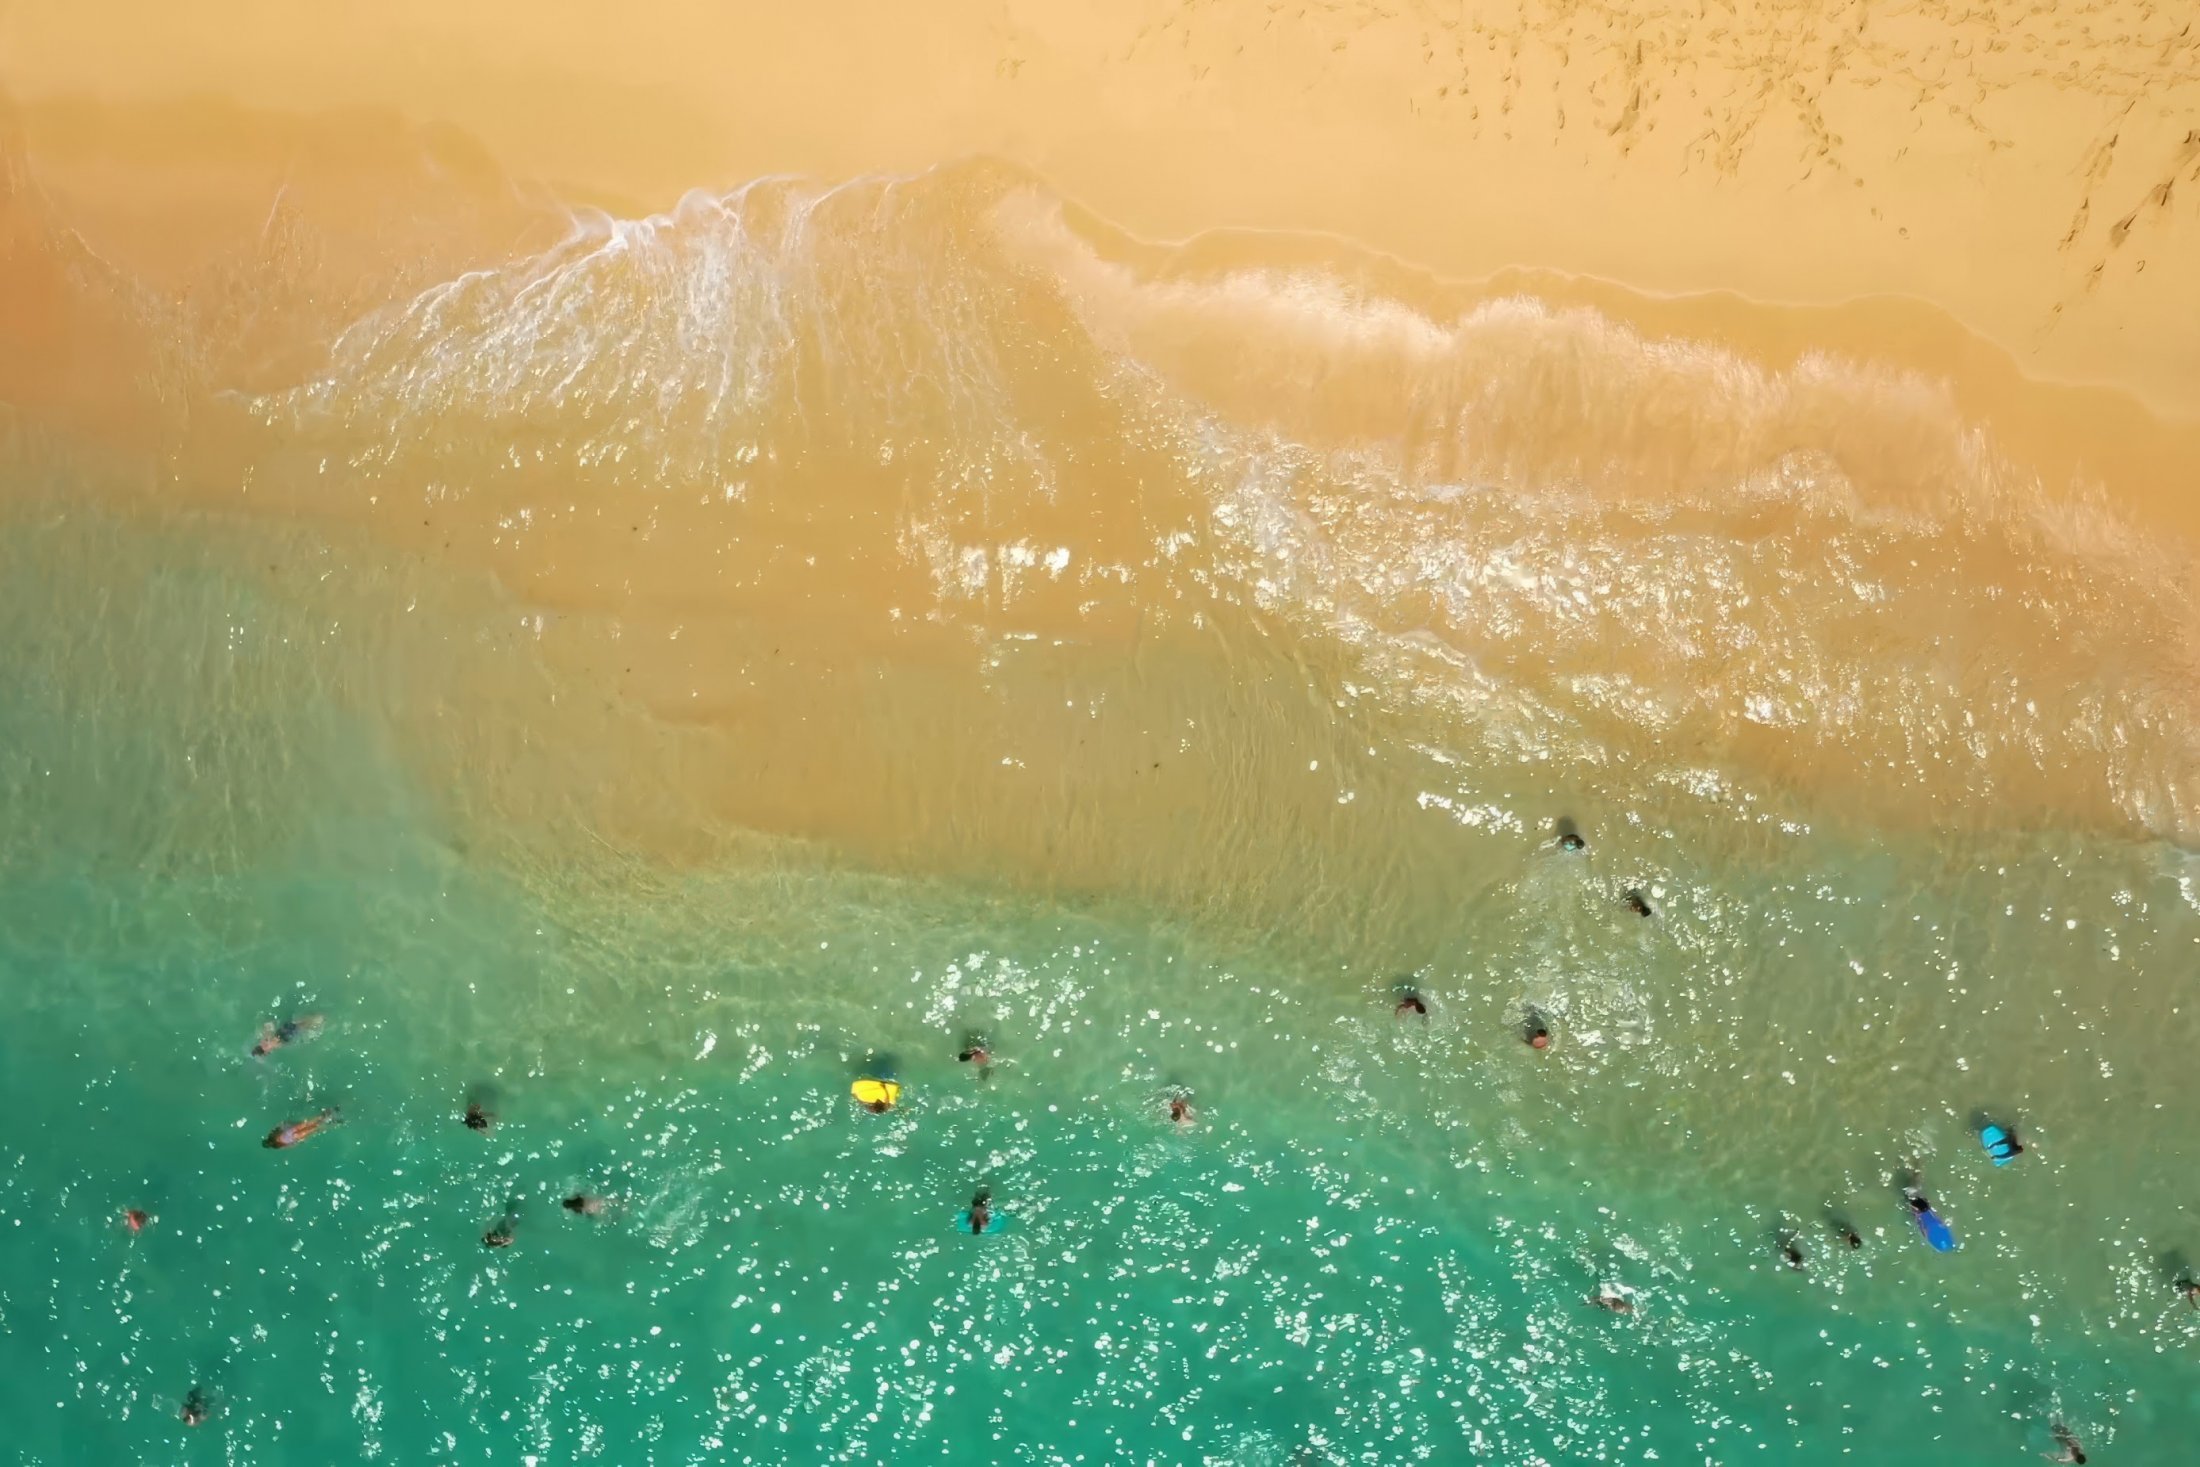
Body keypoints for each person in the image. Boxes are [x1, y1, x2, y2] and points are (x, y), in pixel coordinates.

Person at [263, 1108, 340, 1150]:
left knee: (312, 1128)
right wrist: (285, 1123)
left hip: (291, 1138)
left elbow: (288, 1146)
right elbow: (278, 1127)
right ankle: (326, 1115)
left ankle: (331, 1121)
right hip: (288, 1133)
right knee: (307, 1124)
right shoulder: (271, 1135)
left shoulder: (276, 1146)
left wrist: (298, 1142)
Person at [251, 1013, 323, 1057]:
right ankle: (318, 1018)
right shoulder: (264, 1040)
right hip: (284, 1031)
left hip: (286, 1034)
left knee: (308, 1023)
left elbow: (268, 1025)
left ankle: (319, 1018)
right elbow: (268, 1024)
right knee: (305, 1023)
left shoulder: (267, 1044)